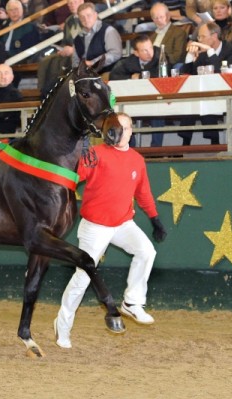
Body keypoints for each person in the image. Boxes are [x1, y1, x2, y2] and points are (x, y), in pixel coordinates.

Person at [54, 112, 167, 349]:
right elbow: (72, 177)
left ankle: (132, 302)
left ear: (131, 131)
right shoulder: (95, 154)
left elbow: (143, 192)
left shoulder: (137, 160)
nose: (118, 131)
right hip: (95, 227)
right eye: (115, 127)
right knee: (82, 278)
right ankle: (62, 326)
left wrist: (155, 218)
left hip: (123, 224)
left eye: (123, 127)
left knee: (147, 252)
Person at [180, 22, 232, 145]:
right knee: (193, 99)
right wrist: (189, 56)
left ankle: (214, 142)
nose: (199, 40)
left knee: (205, 100)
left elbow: (223, 74)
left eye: (202, 36)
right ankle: (185, 144)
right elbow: (188, 76)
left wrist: (210, 51)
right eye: (198, 37)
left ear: (214, 36)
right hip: (207, 94)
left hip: (227, 94)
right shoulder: (202, 55)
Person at [38, 0, 84, 97]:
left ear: (82, 1)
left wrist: (73, 49)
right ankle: (42, 90)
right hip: (67, 51)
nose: (72, 5)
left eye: (75, 2)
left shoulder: (86, 18)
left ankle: (54, 88)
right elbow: (66, 40)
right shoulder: (69, 20)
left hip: (81, 53)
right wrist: (63, 49)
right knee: (45, 61)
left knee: (57, 64)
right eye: (70, 3)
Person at [71, 2, 122, 71]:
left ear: (95, 15)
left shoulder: (108, 31)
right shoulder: (77, 38)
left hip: (106, 71)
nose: (86, 19)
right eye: (82, 17)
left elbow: (115, 53)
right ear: (79, 19)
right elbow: (75, 61)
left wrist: (93, 63)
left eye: (89, 15)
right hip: (84, 75)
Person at [148, 2, 188, 67]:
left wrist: (158, 59)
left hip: (166, 66)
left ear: (168, 16)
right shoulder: (151, 37)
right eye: (156, 18)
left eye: (161, 17)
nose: (159, 20)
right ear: (152, 19)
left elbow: (177, 57)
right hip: (151, 66)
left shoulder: (178, 33)